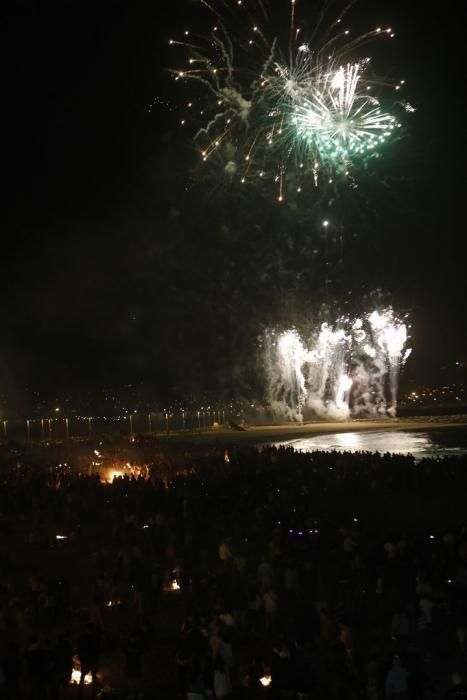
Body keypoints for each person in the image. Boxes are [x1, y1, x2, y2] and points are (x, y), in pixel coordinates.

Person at [77, 623, 100, 696]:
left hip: (86, 660)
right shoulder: (95, 639)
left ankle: (80, 693)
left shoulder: (83, 638)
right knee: (94, 676)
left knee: (83, 676)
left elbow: (79, 649)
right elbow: (98, 650)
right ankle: (94, 693)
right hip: (93, 660)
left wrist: (80, 658)